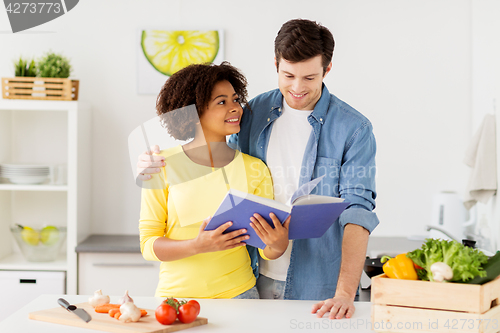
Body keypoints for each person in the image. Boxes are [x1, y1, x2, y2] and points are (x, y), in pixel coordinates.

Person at [137, 19, 379, 319]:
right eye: (288, 75)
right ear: (276, 64)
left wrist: (344, 292)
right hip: (255, 278)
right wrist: (151, 160)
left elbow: (358, 212)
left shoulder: (353, 129)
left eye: (309, 77)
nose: (297, 88)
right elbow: (205, 143)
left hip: (319, 285)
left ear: (327, 70)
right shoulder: (254, 113)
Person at [139, 62, 290, 299]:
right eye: (222, 102)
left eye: (235, 99)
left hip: (241, 296)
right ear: (194, 111)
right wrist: (197, 245)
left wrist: (278, 245)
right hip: (176, 300)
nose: (236, 108)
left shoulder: (255, 169)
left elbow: (265, 248)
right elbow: (148, 245)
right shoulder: (160, 165)